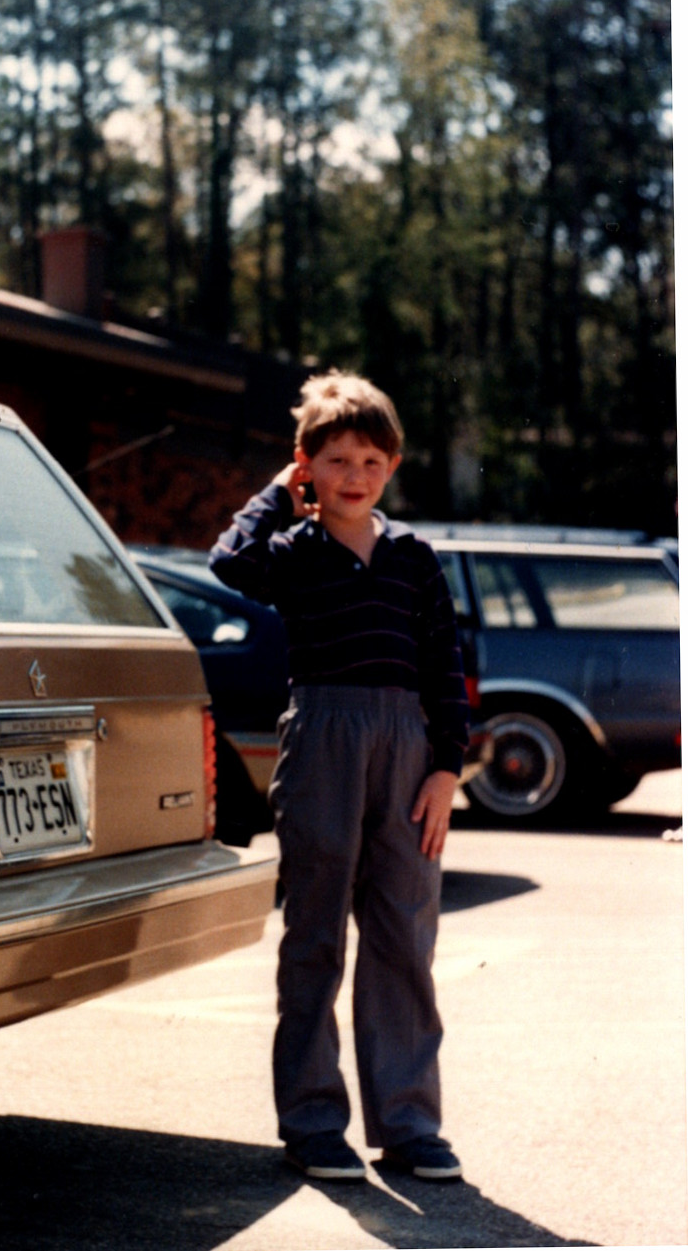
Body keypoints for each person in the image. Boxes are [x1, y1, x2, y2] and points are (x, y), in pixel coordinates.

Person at [209, 370, 469, 1183]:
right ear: (307, 466)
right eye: (336, 460)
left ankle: (410, 1124)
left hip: (408, 751)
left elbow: (445, 664)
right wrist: (276, 495)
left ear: (392, 467)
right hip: (323, 738)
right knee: (316, 933)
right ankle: (314, 1120)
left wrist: (446, 769)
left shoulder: (413, 557)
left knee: (403, 936)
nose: (354, 475)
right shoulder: (294, 553)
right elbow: (229, 560)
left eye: (370, 461)